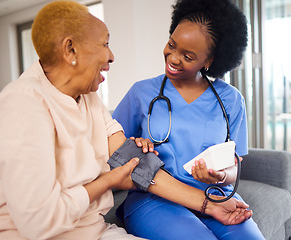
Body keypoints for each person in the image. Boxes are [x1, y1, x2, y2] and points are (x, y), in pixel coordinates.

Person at [0, 1, 254, 239]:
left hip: (91, 230)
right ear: (70, 50)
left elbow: (136, 163)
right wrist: (109, 180)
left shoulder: (88, 98)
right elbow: (38, 222)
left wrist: (209, 204)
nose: (111, 56)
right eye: (105, 44)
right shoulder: (21, 106)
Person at [112, 0, 265, 239]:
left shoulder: (231, 100)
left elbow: (234, 165)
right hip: (156, 199)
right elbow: (113, 149)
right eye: (171, 45)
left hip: (217, 194)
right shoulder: (141, 93)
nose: (173, 58)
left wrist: (221, 176)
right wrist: (137, 145)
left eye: (188, 55)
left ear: (209, 61)